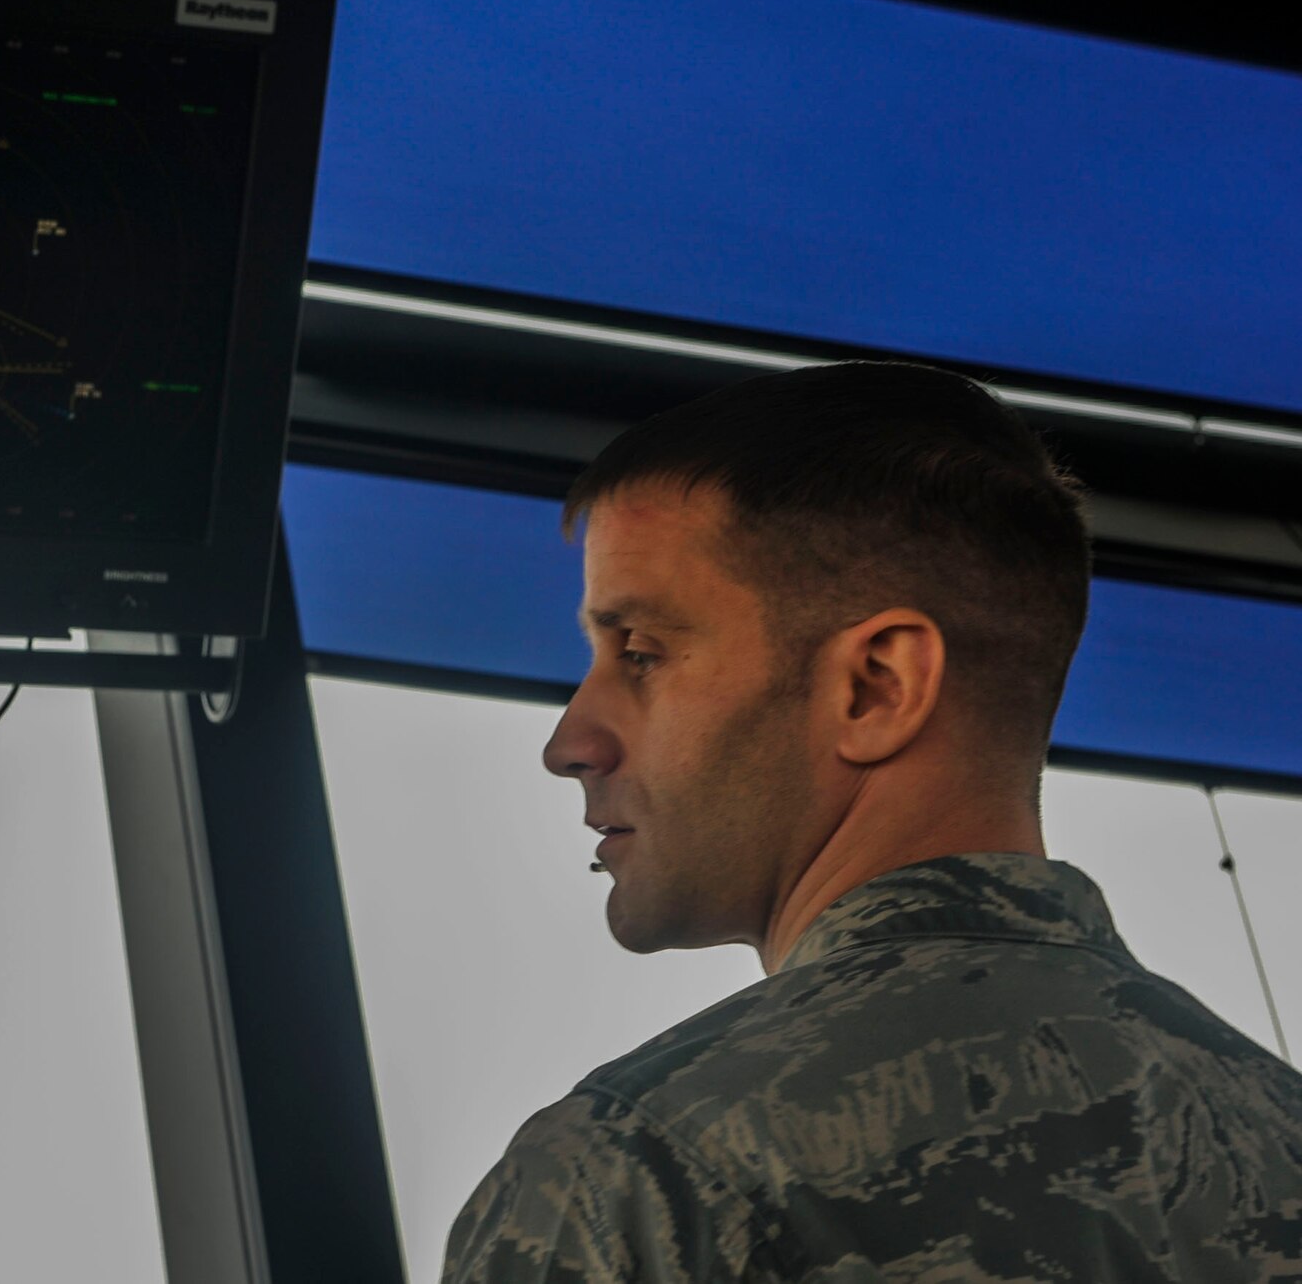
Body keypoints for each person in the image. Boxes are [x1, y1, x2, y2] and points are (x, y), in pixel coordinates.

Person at [440, 361, 1302, 1282]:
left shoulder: (641, 1176)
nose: (572, 741)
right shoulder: (1277, 1134)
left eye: (642, 653)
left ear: (876, 686)